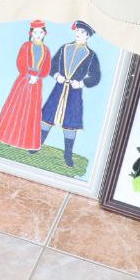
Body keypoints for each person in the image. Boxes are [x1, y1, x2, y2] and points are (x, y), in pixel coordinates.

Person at [39, 20, 102, 170]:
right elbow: (52, 65)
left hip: (74, 92)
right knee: (47, 116)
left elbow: (96, 77)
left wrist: (80, 83)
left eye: (83, 32)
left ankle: (68, 154)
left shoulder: (91, 55)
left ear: (88, 36)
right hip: (59, 88)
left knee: (71, 123)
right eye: (78, 31)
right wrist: (56, 75)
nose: (79, 34)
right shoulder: (65, 48)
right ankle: (38, 144)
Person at [0, 20, 50, 151]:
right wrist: (28, 74)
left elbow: (46, 68)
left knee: (31, 111)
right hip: (23, 80)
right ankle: (7, 137)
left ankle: (25, 142)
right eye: (35, 32)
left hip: (36, 83)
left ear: (44, 33)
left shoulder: (46, 50)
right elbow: (20, 62)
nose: (38, 35)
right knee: (16, 107)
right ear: (31, 33)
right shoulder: (26, 46)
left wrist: (37, 76)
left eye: (41, 32)